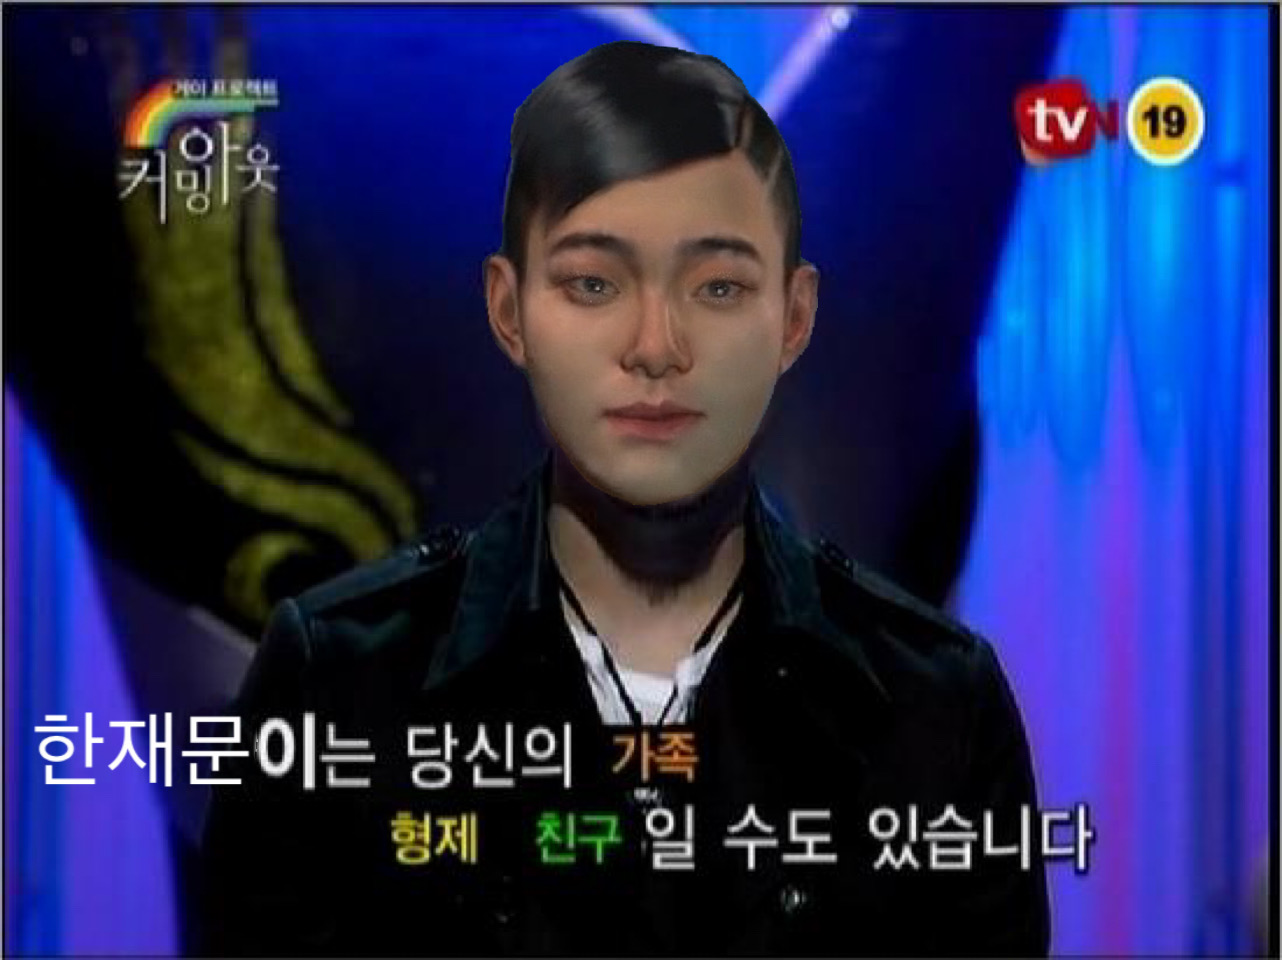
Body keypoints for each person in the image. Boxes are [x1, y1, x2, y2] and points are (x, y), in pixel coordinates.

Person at [201, 40, 1050, 957]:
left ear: (794, 319)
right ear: (509, 311)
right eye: (594, 284)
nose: (655, 346)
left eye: (717, 287)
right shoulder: (335, 681)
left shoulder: (939, 703)